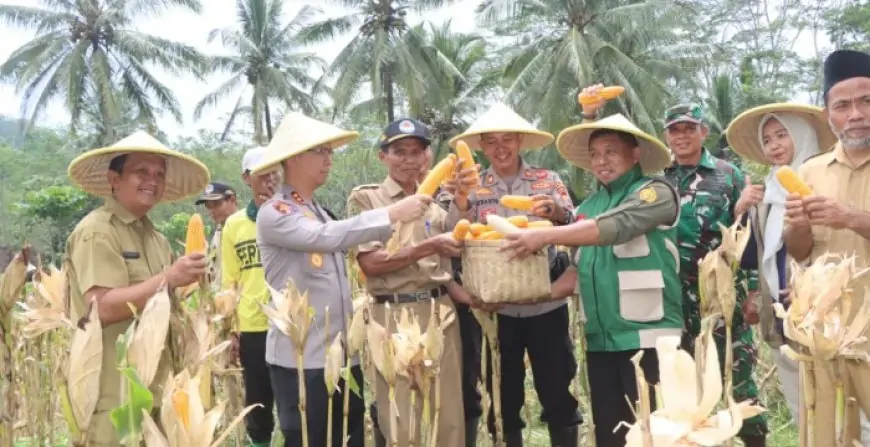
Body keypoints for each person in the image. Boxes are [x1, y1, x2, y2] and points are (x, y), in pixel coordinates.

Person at [251, 112, 432, 447]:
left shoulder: (316, 209)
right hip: (303, 358)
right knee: (310, 438)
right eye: (321, 152)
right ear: (294, 158)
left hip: (340, 355)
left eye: (330, 152)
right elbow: (325, 236)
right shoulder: (275, 213)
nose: (329, 159)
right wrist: (392, 214)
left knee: (346, 439)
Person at [502, 111, 683, 446]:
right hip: (601, 340)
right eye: (596, 154)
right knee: (611, 434)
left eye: (611, 152)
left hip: (649, 338)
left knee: (657, 434)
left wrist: (543, 237)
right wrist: (528, 296)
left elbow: (615, 227)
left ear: (635, 153)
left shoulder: (655, 192)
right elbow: (575, 274)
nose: (602, 161)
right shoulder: (588, 206)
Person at [445, 103, 582, 447]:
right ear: (482, 147)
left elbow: (574, 223)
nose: (500, 147)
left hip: (545, 302)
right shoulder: (472, 187)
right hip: (495, 309)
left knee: (557, 389)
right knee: (502, 397)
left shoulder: (547, 180)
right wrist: (460, 200)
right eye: (491, 142)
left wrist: (556, 212)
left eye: (507, 139)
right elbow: (454, 236)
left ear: (520, 140)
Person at [63, 130, 211, 446]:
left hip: (157, 385)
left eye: (159, 174)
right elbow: (99, 307)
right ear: (114, 179)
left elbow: (165, 305)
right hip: (113, 392)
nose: (152, 180)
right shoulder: (96, 231)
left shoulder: (156, 239)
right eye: (141, 172)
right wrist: (169, 278)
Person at [348, 117, 469, 446]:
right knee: (399, 412)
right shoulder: (367, 200)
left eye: (416, 152)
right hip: (390, 315)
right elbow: (371, 264)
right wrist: (427, 247)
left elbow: (459, 238)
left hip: (437, 311)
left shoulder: (436, 204)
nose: (408, 159)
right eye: (399, 151)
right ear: (382, 157)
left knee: (447, 413)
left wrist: (461, 199)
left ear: (426, 158)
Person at [725, 103, 837, 426]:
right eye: (768, 139)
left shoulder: (824, 182)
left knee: (836, 404)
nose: (774, 146)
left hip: (822, 313)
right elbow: (749, 256)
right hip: (779, 311)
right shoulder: (766, 192)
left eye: (781, 135)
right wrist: (740, 210)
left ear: (800, 136)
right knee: (800, 407)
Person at [661, 103, 767, 446]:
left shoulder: (729, 175)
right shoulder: (659, 179)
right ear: (667, 136)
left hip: (724, 293)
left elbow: (748, 234)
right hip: (675, 297)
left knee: (739, 379)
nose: (682, 136)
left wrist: (753, 291)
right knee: (686, 385)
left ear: (703, 132)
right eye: (675, 130)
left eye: (689, 128)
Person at [783, 48, 870, 446]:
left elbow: (846, 221)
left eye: (866, 100)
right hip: (826, 334)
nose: (856, 113)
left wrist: (851, 218)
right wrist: (798, 226)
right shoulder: (811, 171)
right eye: (843, 105)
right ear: (827, 114)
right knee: (828, 436)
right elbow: (800, 253)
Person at [220, 146, 280, 446]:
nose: (270, 179)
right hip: (253, 325)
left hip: (290, 323)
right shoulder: (235, 225)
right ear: (246, 178)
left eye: (274, 171)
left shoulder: (295, 215)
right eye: (261, 174)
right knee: (258, 400)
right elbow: (230, 280)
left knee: (297, 399)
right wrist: (230, 328)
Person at [195, 181, 238, 285]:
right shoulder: (217, 235)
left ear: (232, 199)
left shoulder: (246, 228)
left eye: (216, 204)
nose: (212, 211)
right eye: (208, 206)